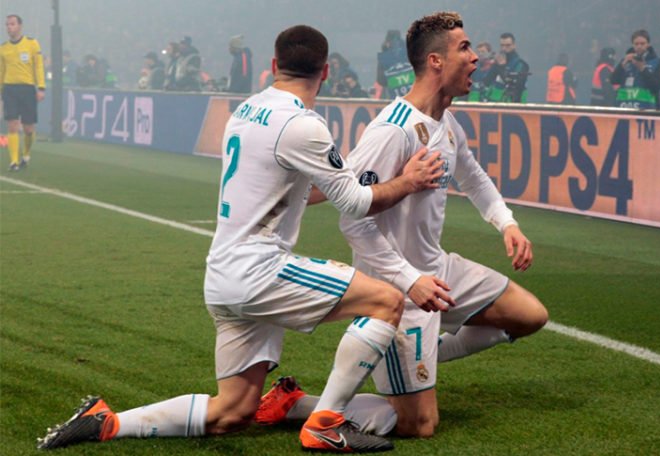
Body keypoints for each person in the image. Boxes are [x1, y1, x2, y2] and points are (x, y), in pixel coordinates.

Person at [36, 24, 446, 453]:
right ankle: (325, 422)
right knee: (387, 301)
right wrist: (408, 181)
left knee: (231, 411)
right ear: (325, 72)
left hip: (223, 276)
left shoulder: (246, 110)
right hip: (259, 271)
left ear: (273, 65)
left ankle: (107, 422)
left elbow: (294, 189)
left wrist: (344, 179)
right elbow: (356, 203)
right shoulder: (302, 124)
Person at [255, 11, 548, 439]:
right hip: (398, 287)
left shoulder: (446, 123)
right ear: (435, 61)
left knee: (529, 316)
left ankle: (423, 357)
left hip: (437, 270)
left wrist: (507, 224)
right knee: (419, 425)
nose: (475, 58)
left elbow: (473, 176)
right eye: (464, 48)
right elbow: (354, 222)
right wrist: (411, 280)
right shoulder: (393, 131)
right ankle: (297, 403)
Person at [0, 14, 45, 171]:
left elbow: (38, 66)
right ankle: (13, 162)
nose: (9, 27)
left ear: (20, 26)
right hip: (9, 89)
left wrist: (41, 87)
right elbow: (1, 71)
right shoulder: (3, 48)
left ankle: (26, 154)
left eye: (12, 24)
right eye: (7, 24)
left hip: (27, 89)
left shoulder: (32, 44)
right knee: (12, 125)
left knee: (28, 129)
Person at [610, 29, 660, 109]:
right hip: (624, 108)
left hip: (646, 109)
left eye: (642, 44)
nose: (639, 46)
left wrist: (643, 69)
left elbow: (656, 86)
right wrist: (622, 65)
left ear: (648, 44)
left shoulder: (656, 62)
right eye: (636, 44)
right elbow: (613, 80)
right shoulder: (626, 61)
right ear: (633, 45)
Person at [484, 32, 530, 103]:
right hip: (494, 104)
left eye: (508, 45)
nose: (504, 48)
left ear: (514, 45)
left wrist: (502, 67)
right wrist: (495, 65)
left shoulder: (521, 65)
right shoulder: (498, 62)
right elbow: (487, 82)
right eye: (502, 45)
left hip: (513, 105)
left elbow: (516, 86)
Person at [376, 30, 414, 99]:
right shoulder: (410, 53)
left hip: (395, 97)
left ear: (387, 42)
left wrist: (392, 81)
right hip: (414, 96)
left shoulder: (384, 58)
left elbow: (381, 80)